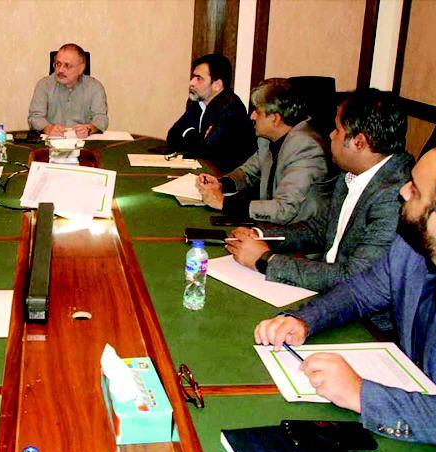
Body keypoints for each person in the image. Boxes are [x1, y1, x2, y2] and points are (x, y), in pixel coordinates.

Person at [254, 142, 436, 452]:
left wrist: (362, 395)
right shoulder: (411, 247)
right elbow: (360, 292)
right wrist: (304, 320)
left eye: (415, 190)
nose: (403, 191)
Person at [227, 89, 413, 292]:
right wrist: (261, 234)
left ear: (359, 142)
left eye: (337, 130)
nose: (331, 135)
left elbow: (355, 278)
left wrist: (266, 260)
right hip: (329, 287)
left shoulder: (394, 196)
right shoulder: (352, 174)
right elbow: (319, 229)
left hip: (354, 305)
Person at [196, 78, 329, 225]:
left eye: (257, 112)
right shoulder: (267, 139)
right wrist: (221, 184)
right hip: (274, 225)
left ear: (275, 118)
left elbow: (285, 209)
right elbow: (249, 173)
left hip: (300, 232)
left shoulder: (305, 146)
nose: (252, 116)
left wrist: (223, 203)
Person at [166, 54, 256, 173]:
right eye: (193, 77)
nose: (191, 82)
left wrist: (187, 133)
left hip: (226, 177)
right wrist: (194, 137)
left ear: (217, 85)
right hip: (200, 171)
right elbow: (172, 136)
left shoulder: (231, 110)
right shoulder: (195, 102)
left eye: (199, 78)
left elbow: (207, 153)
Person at [28, 43, 108, 138]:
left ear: (81, 68)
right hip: (52, 140)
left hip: (83, 141)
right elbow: (35, 117)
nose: (60, 70)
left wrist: (89, 129)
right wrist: (48, 128)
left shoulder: (95, 87)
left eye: (67, 65)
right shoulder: (44, 85)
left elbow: (101, 119)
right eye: (58, 64)